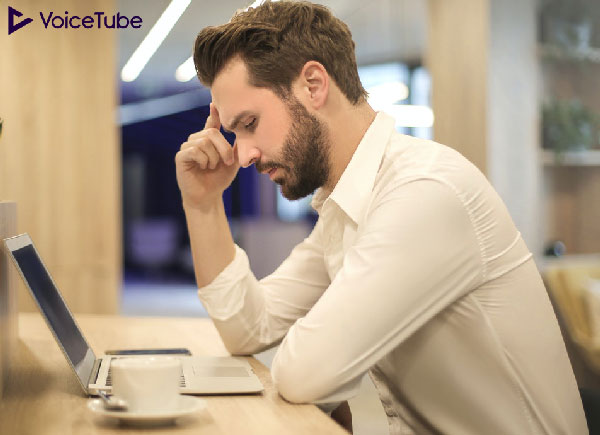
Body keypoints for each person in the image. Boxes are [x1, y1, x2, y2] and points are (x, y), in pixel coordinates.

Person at [175, 1, 588, 434]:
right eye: (234, 134)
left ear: (313, 85)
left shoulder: (424, 192)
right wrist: (202, 204)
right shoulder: (347, 204)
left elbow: (305, 373)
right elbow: (248, 327)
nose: (242, 156)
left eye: (250, 123)